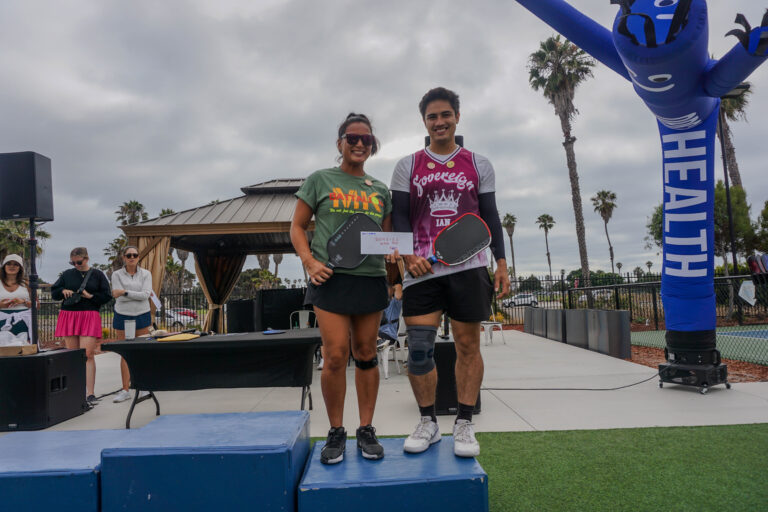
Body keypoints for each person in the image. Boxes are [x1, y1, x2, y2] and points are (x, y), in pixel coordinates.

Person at [389, 87, 510, 457]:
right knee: (420, 351)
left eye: (445, 115)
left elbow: (489, 217)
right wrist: (409, 258)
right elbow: (400, 218)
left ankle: (464, 424)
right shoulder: (407, 166)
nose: (439, 122)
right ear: (424, 122)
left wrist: (501, 261)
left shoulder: (479, 164)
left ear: (457, 116)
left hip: (470, 268)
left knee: (468, 346)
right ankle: (428, 422)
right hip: (422, 270)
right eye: (432, 117)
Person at [290, 113, 393, 465]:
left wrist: (397, 255)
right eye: (353, 138)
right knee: (335, 355)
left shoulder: (380, 189)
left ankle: (366, 428)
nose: (360, 143)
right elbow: (297, 227)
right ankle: (336, 431)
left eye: (367, 139)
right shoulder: (320, 180)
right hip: (330, 280)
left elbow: (388, 239)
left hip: (370, 279)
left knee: (366, 353)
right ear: (340, 144)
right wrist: (309, 261)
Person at [51, 247, 112, 406]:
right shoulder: (67, 274)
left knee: (88, 354)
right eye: (73, 262)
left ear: (87, 259)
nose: (76, 265)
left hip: (89, 314)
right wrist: (63, 290)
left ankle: (90, 393)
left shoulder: (97, 274)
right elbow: (54, 292)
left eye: (79, 262)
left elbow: (107, 295)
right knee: (72, 355)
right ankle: (75, 391)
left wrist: (90, 296)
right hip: (69, 314)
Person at [110, 246, 153, 403]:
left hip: (142, 314)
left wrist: (125, 292)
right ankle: (125, 390)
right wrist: (125, 294)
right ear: (123, 257)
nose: (132, 257)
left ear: (138, 257)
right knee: (125, 353)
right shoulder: (116, 274)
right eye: (129, 255)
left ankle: (142, 387)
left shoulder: (146, 274)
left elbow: (146, 295)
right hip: (122, 315)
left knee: (142, 351)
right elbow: (116, 294)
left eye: (135, 255)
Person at [0, 254, 33, 343]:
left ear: (20, 268)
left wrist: (23, 301)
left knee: (22, 350)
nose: (12, 266)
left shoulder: (27, 283)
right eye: (9, 264)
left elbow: (37, 305)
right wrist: (1, 305)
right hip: (2, 322)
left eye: (16, 264)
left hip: (23, 323)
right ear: (4, 267)